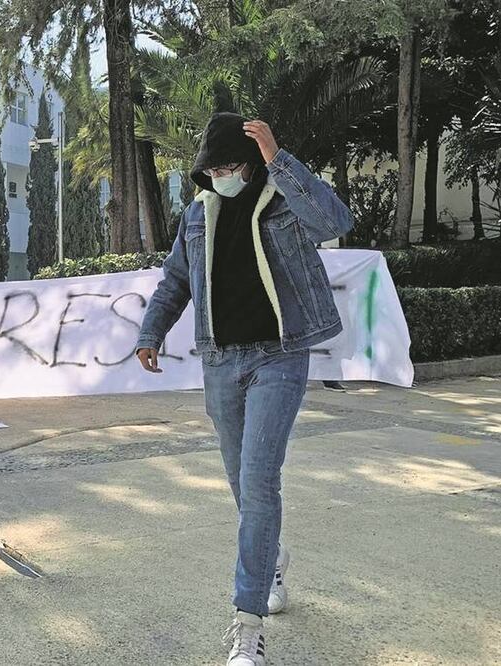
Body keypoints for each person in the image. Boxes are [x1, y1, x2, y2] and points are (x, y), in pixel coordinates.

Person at [134, 113, 352, 665]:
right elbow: (176, 280)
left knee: (258, 480)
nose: (223, 176)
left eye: (233, 166)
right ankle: (271, 554)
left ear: (252, 163)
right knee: (241, 483)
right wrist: (151, 330)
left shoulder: (282, 199)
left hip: (280, 354)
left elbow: (334, 221)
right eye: (214, 169)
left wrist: (280, 159)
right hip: (221, 360)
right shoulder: (196, 215)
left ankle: (246, 624)